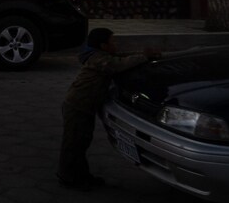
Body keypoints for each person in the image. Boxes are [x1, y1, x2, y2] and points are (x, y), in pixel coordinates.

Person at [56, 27, 159, 190]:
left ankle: (81, 175)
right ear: (103, 46)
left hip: (84, 107)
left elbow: (121, 59)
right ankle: (67, 176)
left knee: (81, 142)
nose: (115, 44)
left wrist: (144, 56)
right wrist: (144, 56)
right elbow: (118, 64)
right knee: (73, 143)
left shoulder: (100, 56)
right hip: (77, 107)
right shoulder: (99, 60)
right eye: (112, 42)